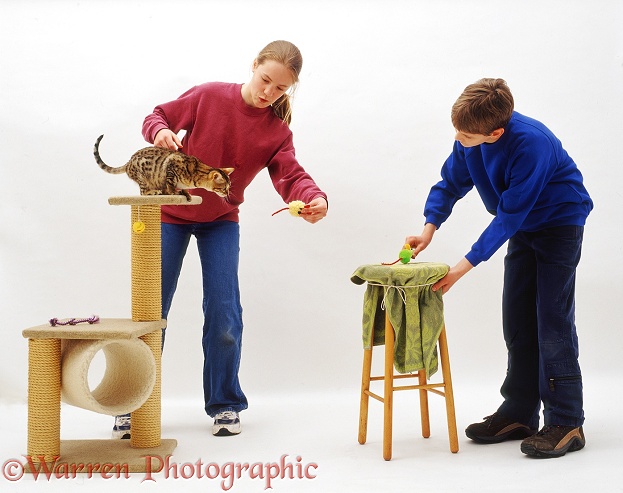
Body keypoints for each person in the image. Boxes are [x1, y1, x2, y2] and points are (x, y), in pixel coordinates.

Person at [113, 40, 327, 439]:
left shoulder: (276, 132)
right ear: (254, 66)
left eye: (280, 89)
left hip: (220, 221)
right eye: (265, 80)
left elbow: (290, 174)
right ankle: (130, 404)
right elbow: (157, 115)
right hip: (169, 214)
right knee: (150, 311)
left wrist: (313, 197)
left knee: (225, 313)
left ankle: (225, 404)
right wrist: (160, 131)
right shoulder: (208, 96)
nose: (268, 93)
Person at [406, 78, 592, 458]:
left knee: (552, 321)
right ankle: (519, 411)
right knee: (518, 321)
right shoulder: (469, 137)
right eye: (456, 131)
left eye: (466, 135)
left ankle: (566, 420)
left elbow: (509, 215)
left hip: (559, 223)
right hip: (524, 226)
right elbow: (450, 183)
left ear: (496, 132)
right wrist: (428, 228)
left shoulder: (532, 143)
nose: (458, 139)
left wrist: (461, 267)